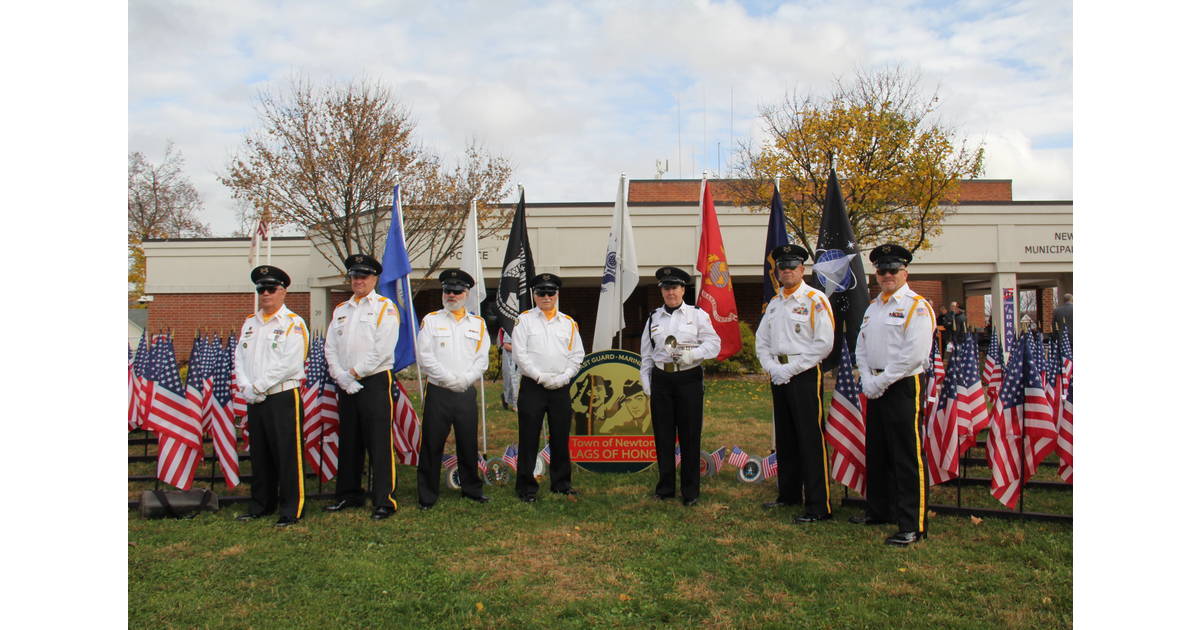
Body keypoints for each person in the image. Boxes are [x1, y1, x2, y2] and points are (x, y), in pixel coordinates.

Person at [854, 244, 935, 546]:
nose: (887, 275)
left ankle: (912, 523)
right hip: (874, 383)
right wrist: (865, 375)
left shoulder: (917, 306)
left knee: (906, 455)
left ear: (905, 272)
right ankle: (879, 510)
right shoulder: (874, 306)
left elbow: (913, 354)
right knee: (877, 451)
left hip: (902, 385)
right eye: (881, 270)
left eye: (893, 270)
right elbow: (861, 345)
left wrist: (882, 381)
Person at [755, 244, 835, 523]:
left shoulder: (815, 299)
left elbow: (824, 344)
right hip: (778, 373)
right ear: (777, 272)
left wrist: (792, 369)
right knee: (786, 438)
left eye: (792, 266)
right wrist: (772, 367)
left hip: (803, 374)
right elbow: (761, 341)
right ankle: (788, 495)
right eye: (782, 267)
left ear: (803, 269)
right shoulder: (775, 303)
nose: (787, 271)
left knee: (810, 439)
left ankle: (818, 505)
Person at [323, 254, 402, 520]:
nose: (358, 280)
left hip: (374, 380)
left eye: (364, 276)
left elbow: (383, 348)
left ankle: (384, 499)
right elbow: (331, 346)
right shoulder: (341, 310)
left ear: (375, 279)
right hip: (345, 383)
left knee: (378, 442)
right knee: (349, 440)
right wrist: (340, 375)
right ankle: (348, 494)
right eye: (355, 275)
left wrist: (355, 373)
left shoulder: (385, 307)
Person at [234, 265, 310, 527]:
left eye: (271, 289)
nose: (265, 293)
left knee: (288, 455)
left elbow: (290, 363)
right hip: (255, 399)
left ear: (283, 292)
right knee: (260, 454)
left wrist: (258, 386)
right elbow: (240, 358)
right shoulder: (250, 323)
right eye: (261, 289)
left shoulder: (293, 323)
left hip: (281, 397)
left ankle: (291, 508)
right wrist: (245, 385)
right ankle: (261, 504)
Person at [640, 266, 721, 506]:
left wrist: (693, 354)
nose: (670, 292)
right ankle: (665, 488)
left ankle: (690, 491)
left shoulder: (697, 315)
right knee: (663, 437)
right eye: (666, 288)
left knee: (689, 435)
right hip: (661, 381)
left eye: (674, 287)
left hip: (688, 379)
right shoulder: (653, 317)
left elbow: (714, 344)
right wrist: (647, 384)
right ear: (661, 291)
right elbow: (646, 355)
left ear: (683, 289)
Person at [414, 268, 491, 509]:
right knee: (431, 444)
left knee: (468, 443)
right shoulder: (431, 320)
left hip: (466, 391)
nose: (452, 295)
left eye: (457, 291)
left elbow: (482, 359)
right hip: (439, 391)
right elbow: (424, 356)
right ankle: (427, 494)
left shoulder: (478, 324)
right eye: (447, 290)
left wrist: (465, 379)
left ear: (466, 294)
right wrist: (449, 379)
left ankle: (471, 489)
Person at [511, 273, 585, 502]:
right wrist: (541, 377)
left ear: (557, 294)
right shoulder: (524, 321)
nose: (545, 297)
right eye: (541, 293)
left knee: (561, 437)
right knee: (529, 437)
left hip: (561, 387)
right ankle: (526, 487)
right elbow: (519, 354)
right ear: (534, 295)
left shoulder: (568, 323)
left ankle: (561, 483)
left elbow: (577, 355)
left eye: (550, 292)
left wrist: (564, 378)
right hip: (534, 386)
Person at [497, 327, 520, 411]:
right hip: (511, 359)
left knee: (516, 382)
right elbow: (506, 345)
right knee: (512, 382)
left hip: (519, 359)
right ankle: (513, 404)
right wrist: (520, 350)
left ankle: (511, 401)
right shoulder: (510, 328)